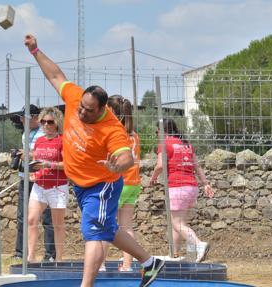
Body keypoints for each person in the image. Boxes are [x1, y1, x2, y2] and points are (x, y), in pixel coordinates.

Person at [24, 34, 164, 287]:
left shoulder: (111, 128)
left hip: (101, 186)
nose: (80, 112)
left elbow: (127, 158)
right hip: (80, 183)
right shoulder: (77, 98)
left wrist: (116, 166)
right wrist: (35, 51)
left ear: (102, 110)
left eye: (88, 111)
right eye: (81, 108)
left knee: (94, 234)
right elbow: (55, 76)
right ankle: (149, 262)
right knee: (108, 230)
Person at [149, 118, 214, 262]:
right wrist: (205, 184)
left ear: (162, 131)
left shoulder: (164, 144)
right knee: (178, 223)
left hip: (177, 187)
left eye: (156, 131)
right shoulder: (187, 144)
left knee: (177, 224)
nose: (156, 134)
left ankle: (199, 244)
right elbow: (197, 166)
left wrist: (153, 178)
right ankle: (175, 254)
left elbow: (160, 166)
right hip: (191, 187)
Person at [13, 104, 56, 261]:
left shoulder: (44, 133)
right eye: (21, 117)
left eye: (24, 117)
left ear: (35, 118)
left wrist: (27, 155)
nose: (21, 119)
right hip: (26, 177)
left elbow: (45, 154)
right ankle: (20, 252)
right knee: (22, 216)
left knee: (47, 217)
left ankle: (50, 255)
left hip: (43, 179)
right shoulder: (26, 133)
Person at [103, 95, 142, 272]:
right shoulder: (135, 136)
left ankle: (100, 264)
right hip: (133, 182)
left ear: (112, 111)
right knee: (126, 226)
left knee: (104, 224)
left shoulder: (115, 134)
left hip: (119, 181)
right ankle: (127, 265)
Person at [27, 107, 68, 262]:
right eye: (42, 121)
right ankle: (30, 257)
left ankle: (59, 258)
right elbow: (37, 160)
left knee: (57, 224)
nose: (45, 125)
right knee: (31, 219)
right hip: (40, 185)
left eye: (49, 122)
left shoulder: (63, 140)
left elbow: (67, 165)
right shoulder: (39, 141)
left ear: (57, 123)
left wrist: (48, 165)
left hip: (57, 187)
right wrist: (34, 171)